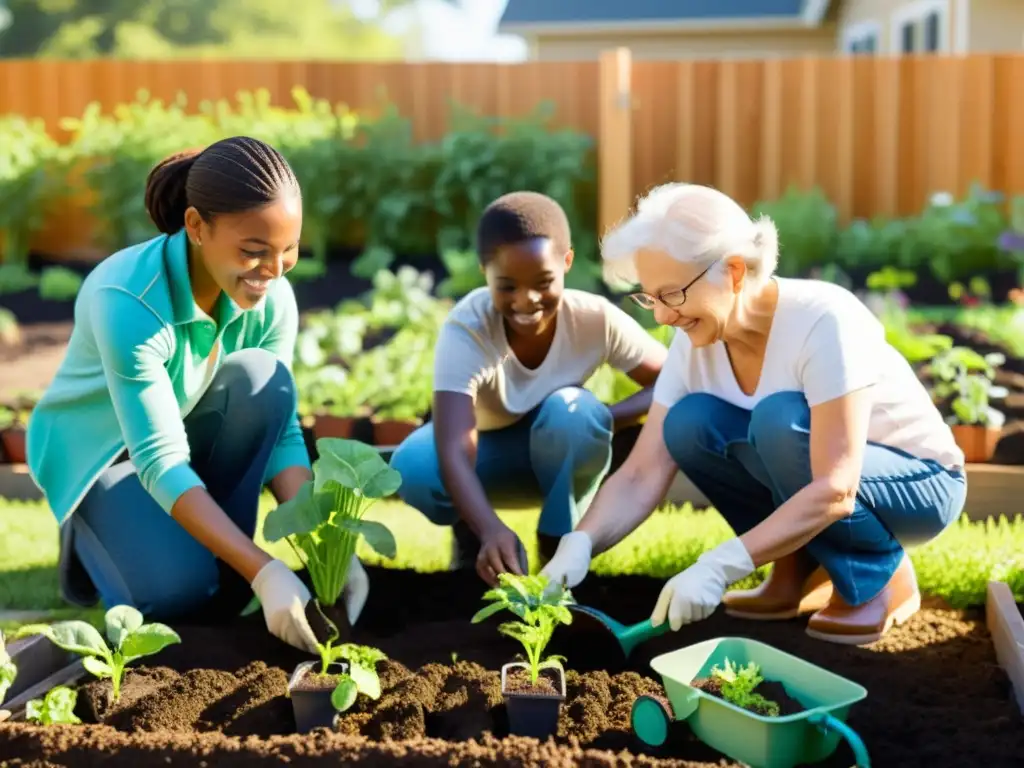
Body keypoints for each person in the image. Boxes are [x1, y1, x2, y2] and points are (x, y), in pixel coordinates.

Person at [540, 183, 967, 646]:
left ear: (735, 271)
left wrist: (721, 565)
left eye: (673, 294)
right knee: (690, 423)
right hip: (838, 483)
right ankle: (797, 570)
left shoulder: (823, 320)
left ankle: (879, 577)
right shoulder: (693, 344)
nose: (662, 317)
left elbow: (837, 488)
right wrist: (581, 542)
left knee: (776, 420)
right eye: (650, 298)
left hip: (920, 484)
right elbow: (644, 470)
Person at [26, 136, 367, 653]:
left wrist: (328, 543)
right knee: (178, 597)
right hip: (107, 456)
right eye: (254, 252)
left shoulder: (271, 298)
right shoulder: (128, 300)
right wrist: (266, 570)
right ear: (196, 227)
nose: (272, 272)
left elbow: (282, 433)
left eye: (288, 252)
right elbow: (158, 460)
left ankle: (201, 551)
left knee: (261, 380)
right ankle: (90, 529)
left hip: (183, 433)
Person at [389, 191, 668, 585]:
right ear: (484, 270)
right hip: (488, 455)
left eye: (543, 282)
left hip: (561, 451)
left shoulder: (593, 319)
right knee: (415, 467)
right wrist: (489, 527)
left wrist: (609, 417)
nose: (527, 300)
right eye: (507, 286)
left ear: (566, 261)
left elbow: (672, 378)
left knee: (577, 414)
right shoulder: (468, 327)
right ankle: (472, 539)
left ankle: (558, 543)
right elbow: (453, 446)